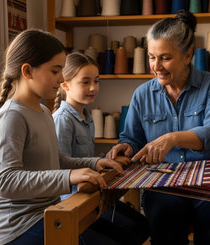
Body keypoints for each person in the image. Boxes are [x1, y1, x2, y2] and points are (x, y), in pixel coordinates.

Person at [107, 10, 210, 245]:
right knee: (163, 223)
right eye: (151, 57)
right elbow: (132, 138)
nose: (156, 66)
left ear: (188, 55)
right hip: (164, 183)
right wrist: (125, 147)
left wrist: (173, 138)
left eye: (165, 58)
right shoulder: (142, 94)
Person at [0, 30, 124, 245]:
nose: (62, 78)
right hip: (19, 226)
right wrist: (68, 177)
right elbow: (4, 181)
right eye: (56, 71)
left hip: (47, 212)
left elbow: (59, 160)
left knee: (125, 235)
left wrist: (95, 162)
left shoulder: (43, 111)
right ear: (27, 71)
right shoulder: (12, 116)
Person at [52, 52, 149, 245]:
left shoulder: (87, 119)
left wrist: (108, 159)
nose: (93, 88)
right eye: (85, 82)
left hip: (90, 197)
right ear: (65, 84)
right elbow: (60, 167)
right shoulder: (63, 120)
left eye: (96, 81)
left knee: (141, 226)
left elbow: (84, 158)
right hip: (73, 203)